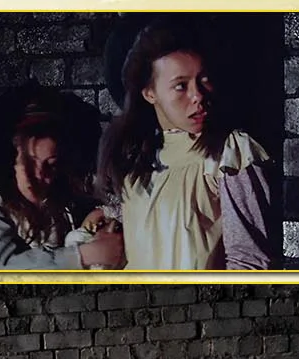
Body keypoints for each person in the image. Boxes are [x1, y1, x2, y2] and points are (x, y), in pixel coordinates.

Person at [98, 20, 279, 270]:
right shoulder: (134, 160)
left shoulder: (228, 154)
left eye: (203, 80)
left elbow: (249, 262)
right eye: (181, 86)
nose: (199, 96)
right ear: (150, 93)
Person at [0, 109, 125, 270]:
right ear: (12, 163)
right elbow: (3, 266)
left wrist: (102, 215)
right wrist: (82, 255)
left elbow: (115, 201)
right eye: (29, 164)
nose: (39, 174)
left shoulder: (62, 190)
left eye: (50, 164)